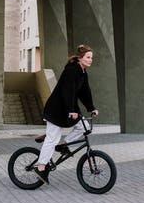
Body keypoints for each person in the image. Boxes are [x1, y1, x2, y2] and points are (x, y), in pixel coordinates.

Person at [34, 44, 99, 184]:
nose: (90, 60)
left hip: (68, 109)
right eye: (88, 57)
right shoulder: (71, 70)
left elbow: (84, 92)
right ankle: (40, 167)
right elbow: (66, 91)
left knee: (85, 127)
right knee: (51, 139)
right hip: (57, 110)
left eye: (91, 58)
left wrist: (91, 107)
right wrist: (71, 110)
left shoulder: (82, 72)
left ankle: (63, 145)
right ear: (80, 58)